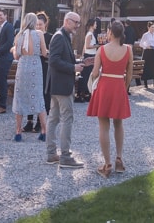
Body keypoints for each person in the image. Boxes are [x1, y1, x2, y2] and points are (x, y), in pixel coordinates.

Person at [87, 19, 132, 177]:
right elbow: (130, 74)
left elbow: (94, 73)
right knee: (118, 124)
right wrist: (123, 89)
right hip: (119, 85)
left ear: (111, 33)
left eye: (107, 31)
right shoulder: (128, 49)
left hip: (105, 86)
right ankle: (119, 158)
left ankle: (107, 165)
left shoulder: (102, 49)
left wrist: (93, 81)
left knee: (103, 125)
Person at [46, 11, 84, 168]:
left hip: (58, 85)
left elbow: (60, 59)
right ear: (67, 21)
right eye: (76, 22)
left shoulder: (63, 36)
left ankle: (51, 154)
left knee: (53, 119)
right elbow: (53, 61)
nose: (77, 26)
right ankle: (65, 156)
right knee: (66, 119)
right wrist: (73, 67)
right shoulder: (59, 37)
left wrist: (80, 62)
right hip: (61, 86)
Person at [11, 12, 48, 142]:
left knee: (20, 97)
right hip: (35, 67)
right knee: (38, 97)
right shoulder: (39, 34)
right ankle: (44, 131)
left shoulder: (19, 35)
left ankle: (18, 131)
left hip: (22, 67)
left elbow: (16, 56)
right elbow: (44, 53)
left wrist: (14, 50)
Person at [0, 10, 15, 114]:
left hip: (5, 57)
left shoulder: (8, 27)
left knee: (3, 81)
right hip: (1, 57)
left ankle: (2, 106)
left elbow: (9, 43)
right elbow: (1, 43)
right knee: (0, 81)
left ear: (6, 15)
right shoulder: (0, 27)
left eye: (1, 15)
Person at [76, 17, 102, 102]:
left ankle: (87, 92)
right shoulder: (90, 34)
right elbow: (87, 46)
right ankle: (84, 93)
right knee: (87, 75)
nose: (96, 25)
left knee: (89, 74)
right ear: (92, 25)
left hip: (90, 54)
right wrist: (97, 46)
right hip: (89, 55)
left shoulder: (91, 34)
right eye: (95, 24)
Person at [139, 21, 154, 88]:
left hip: (153, 52)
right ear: (148, 27)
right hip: (147, 52)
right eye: (152, 27)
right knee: (146, 67)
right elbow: (141, 44)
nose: (153, 29)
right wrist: (146, 46)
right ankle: (145, 83)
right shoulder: (145, 35)